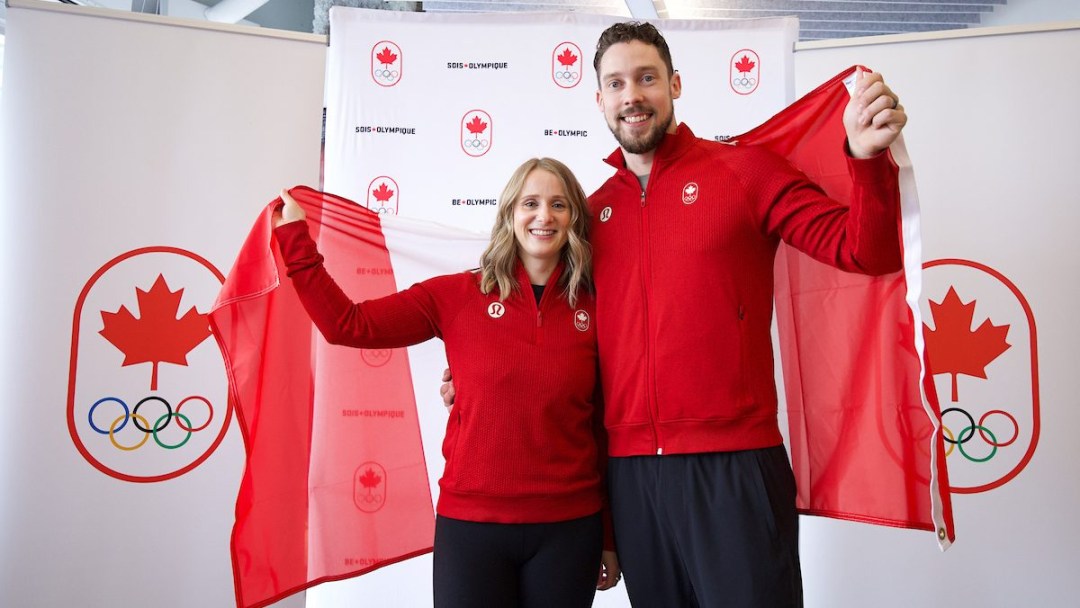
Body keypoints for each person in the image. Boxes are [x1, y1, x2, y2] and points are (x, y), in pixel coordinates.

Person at [444, 22, 908, 608]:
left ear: (675, 85)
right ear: (600, 100)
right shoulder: (589, 216)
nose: (631, 95)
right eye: (616, 83)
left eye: (646, 78)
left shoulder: (744, 173)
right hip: (632, 479)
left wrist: (865, 159)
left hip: (734, 467)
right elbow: (552, 335)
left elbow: (867, 252)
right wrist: (475, 369)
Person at [273, 157, 620, 608]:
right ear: (509, 214)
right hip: (471, 529)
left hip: (569, 529)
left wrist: (609, 535)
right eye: (530, 203)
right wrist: (296, 243)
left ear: (574, 217)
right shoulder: (456, 296)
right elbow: (348, 325)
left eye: (558, 204)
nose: (544, 216)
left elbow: (603, 429)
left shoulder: (597, 308)